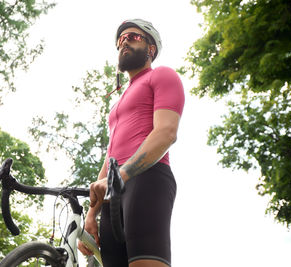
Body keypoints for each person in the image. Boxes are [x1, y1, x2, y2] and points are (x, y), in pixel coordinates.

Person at [78, 19, 185, 267]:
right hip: (114, 191)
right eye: (121, 39)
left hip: (148, 178)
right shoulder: (117, 104)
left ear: (151, 49)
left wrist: (122, 175)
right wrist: (92, 214)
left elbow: (167, 132)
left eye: (133, 36)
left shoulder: (162, 75)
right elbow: (110, 156)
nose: (124, 40)